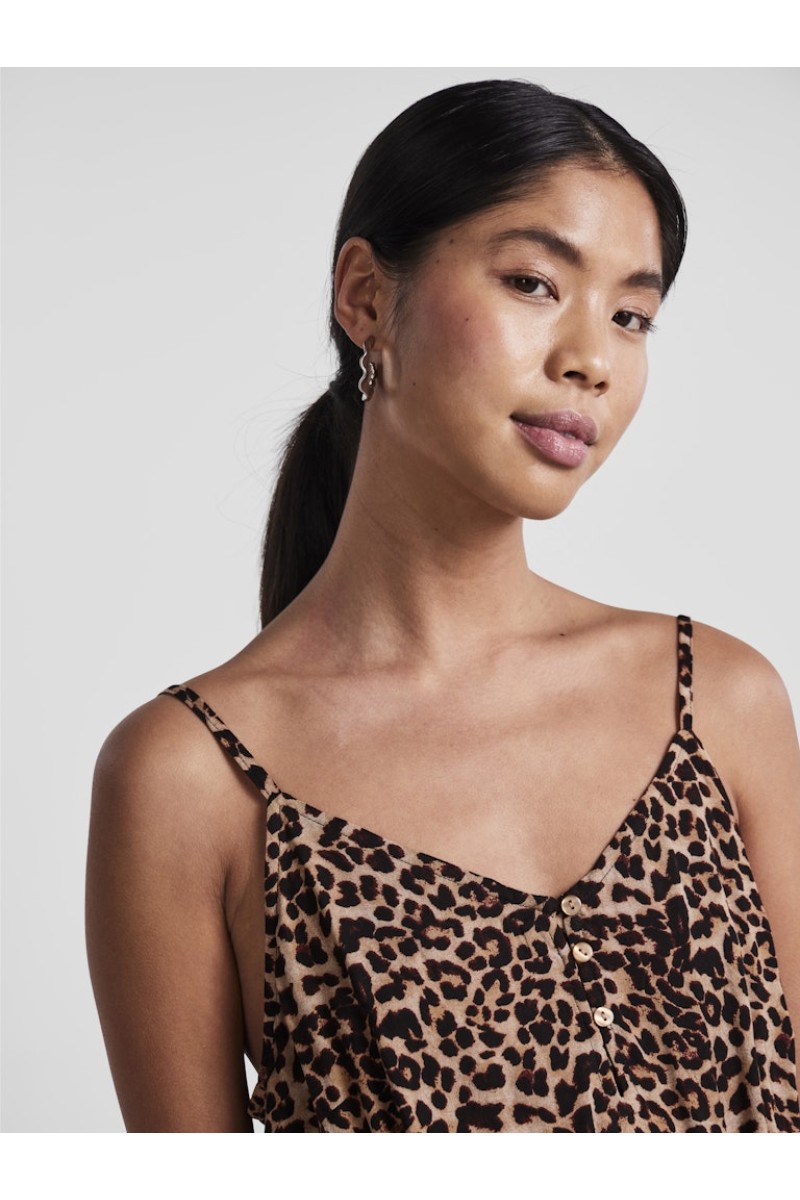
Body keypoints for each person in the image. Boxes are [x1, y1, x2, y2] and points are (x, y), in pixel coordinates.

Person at [85, 77, 800, 1133]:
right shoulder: (190, 779)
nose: (590, 361)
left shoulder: (718, 704)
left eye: (631, 316)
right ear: (365, 298)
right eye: (532, 283)